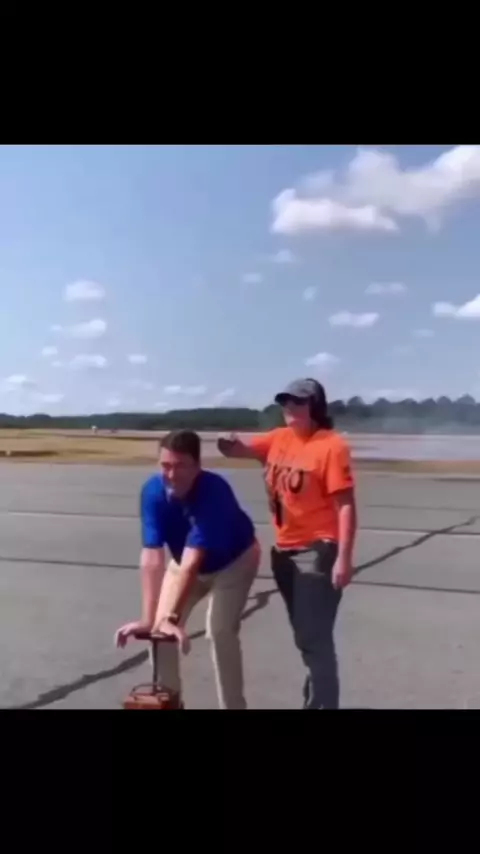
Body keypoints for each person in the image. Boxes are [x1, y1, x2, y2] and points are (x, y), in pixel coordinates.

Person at [218, 378, 357, 710]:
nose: (290, 407)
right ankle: (316, 701)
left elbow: (346, 505)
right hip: (283, 554)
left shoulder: (331, 446)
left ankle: (323, 705)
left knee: (313, 639)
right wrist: (228, 443)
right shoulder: (278, 438)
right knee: (308, 637)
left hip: (317, 551)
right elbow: (240, 450)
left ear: (316, 406)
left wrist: (344, 558)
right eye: (286, 401)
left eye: (299, 401)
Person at [115, 429, 260, 710]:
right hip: (183, 563)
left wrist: (172, 617)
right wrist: (149, 620)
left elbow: (195, 560)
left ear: (197, 466)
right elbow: (152, 556)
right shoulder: (153, 492)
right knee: (160, 634)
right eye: (165, 465)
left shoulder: (214, 491)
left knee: (219, 631)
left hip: (234, 563)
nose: (171, 474)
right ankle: (169, 704)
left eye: (180, 466)